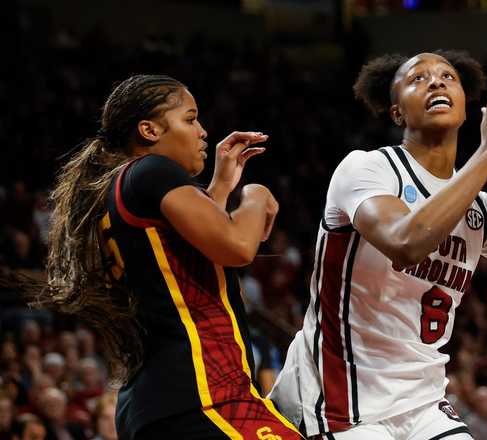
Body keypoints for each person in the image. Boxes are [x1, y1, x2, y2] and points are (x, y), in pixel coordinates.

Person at [269, 50, 487, 440]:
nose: (436, 81)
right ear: (397, 113)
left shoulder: (485, 211)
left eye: (448, 76)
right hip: (337, 400)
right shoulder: (367, 168)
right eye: (417, 79)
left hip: (422, 402)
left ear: (466, 105)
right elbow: (406, 243)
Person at [28, 75, 301, 439]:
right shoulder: (150, 170)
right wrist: (255, 195)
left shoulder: (117, 190)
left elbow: (187, 262)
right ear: (149, 130)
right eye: (190, 119)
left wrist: (219, 188)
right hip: (201, 395)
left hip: (155, 404)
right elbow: (236, 245)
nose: (203, 132)